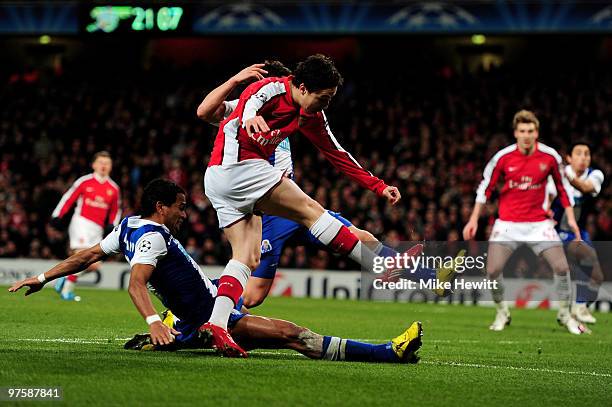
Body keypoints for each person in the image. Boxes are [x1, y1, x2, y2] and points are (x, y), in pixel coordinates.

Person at [9, 179, 423, 363]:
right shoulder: (152, 236)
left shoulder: (128, 227)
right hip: (211, 318)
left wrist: (43, 277)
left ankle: (176, 332)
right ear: (161, 207)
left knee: (267, 313)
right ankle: (388, 353)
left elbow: (86, 256)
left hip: (202, 310)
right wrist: (153, 321)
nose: (185, 213)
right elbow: (135, 284)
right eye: (180, 206)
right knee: (294, 335)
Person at [197, 61, 453, 308]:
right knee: (253, 295)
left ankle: (429, 277)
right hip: (268, 213)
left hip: (289, 206)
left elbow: (336, 153)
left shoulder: (301, 115)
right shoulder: (242, 111)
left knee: (362, 237)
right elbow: (205, 111)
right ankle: (195, 299)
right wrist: (234, 82)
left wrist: (378, 186)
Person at [462, 110, 588, 335]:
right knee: (492, 270)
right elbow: (486, 188)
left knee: (561, 267)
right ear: (515, 133)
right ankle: (502, 312)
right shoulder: (503, 157)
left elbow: (562, 189)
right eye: (522, 131)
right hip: (508, 224)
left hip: (539, 224)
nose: (526, 135)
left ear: (536, 132)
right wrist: (473, 220)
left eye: (530, 131)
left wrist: (570, 219)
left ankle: (565, 315)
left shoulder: (550, 157)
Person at [546, 141, 605, 324]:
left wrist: (567, 176)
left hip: (580, 231)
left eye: (587, 154)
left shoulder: (595, 175)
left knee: (597, 277)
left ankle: (574, 309)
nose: (583, 158)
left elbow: (586, 188)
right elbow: (546, 199)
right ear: (569, 158)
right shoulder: (555, 177)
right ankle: (578, 308)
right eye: (578, 153)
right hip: (558, 231)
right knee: (586, 256)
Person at [50, 151, 121, 301]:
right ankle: (66, 291)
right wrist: (57, 215)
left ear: (111, 167)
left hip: (97, 229)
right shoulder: (84, 181)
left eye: (107, 163)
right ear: (94, 165)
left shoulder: (113, 188)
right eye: (100, 162)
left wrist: (112, 225)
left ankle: (63, 278)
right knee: (81, 258)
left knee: (94, 265)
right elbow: (68, 198)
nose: (103, 166)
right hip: (81, 223)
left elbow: (116, 210)